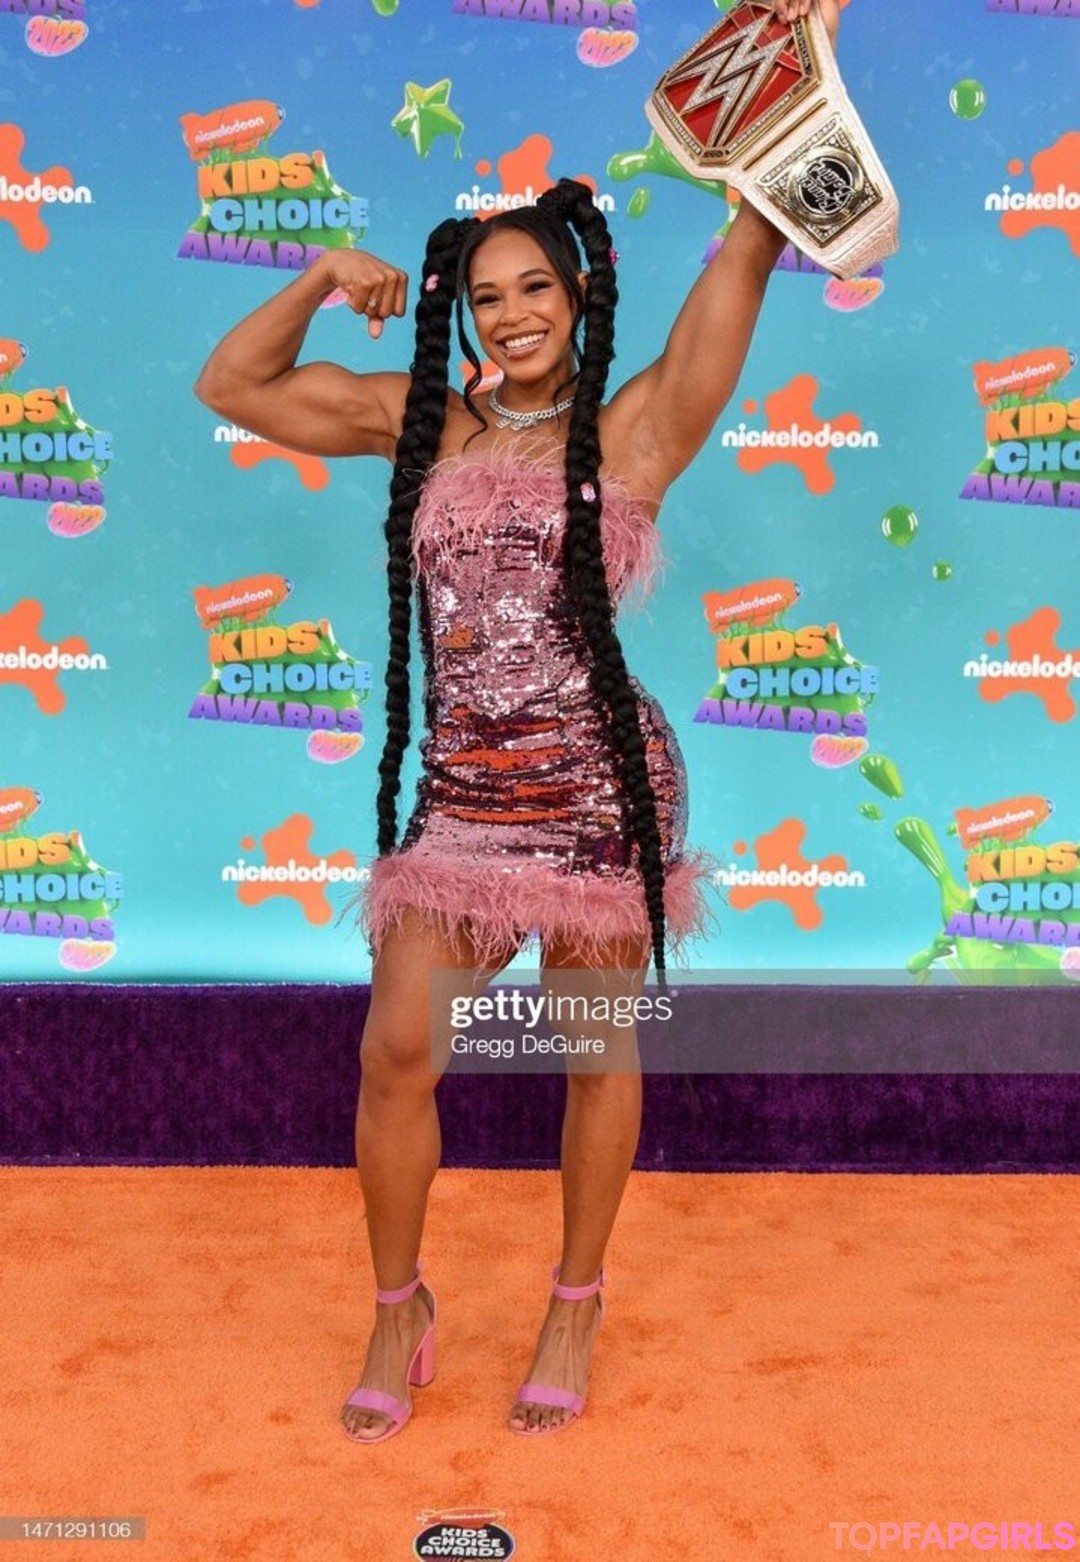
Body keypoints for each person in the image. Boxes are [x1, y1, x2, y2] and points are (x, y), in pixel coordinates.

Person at [195, 0, 841, 1442]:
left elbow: (747, 255)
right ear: (463, 313)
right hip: (465, 803)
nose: (512, 315)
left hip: (601, 792)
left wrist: (783, 112)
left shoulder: (634, 433)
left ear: (579, 292)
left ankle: (575, 1298)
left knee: (594, 1051)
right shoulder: (417, 422)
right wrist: (321, 273)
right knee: (397, 1050)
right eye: (486, 297)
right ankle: (397, 1303)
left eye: (535, 286)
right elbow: (231, 384)